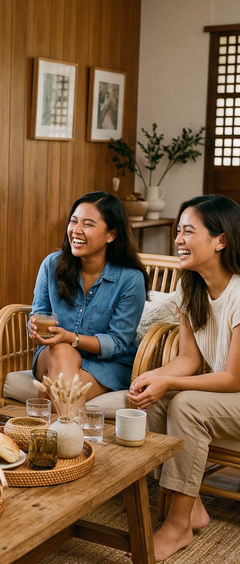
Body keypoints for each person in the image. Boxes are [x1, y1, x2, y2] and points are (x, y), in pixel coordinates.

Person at [128, 195, 240, 562]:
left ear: (220, 240)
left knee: (186, 403)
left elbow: (232, 379)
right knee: (156, 398)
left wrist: (170, 383)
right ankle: (191, 507)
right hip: (228, 393)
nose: (178, 239)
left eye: (188, 231)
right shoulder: (192, 289)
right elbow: (189, 359)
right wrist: (153, 376)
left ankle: (177, 527)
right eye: (178, 231)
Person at [28, 191, 149, 404]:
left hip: (108, 365)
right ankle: (73, 436)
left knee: (59, 383)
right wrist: (34, 327)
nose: (76, 230)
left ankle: (51, 433)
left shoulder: (130, 279)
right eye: (73, 221)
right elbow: (38, 314)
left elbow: (118, 342)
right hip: (52, 352)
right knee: (63, 352)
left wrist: (71, 338)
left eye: (88, 224)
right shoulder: (51, 265)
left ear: (111, 234)